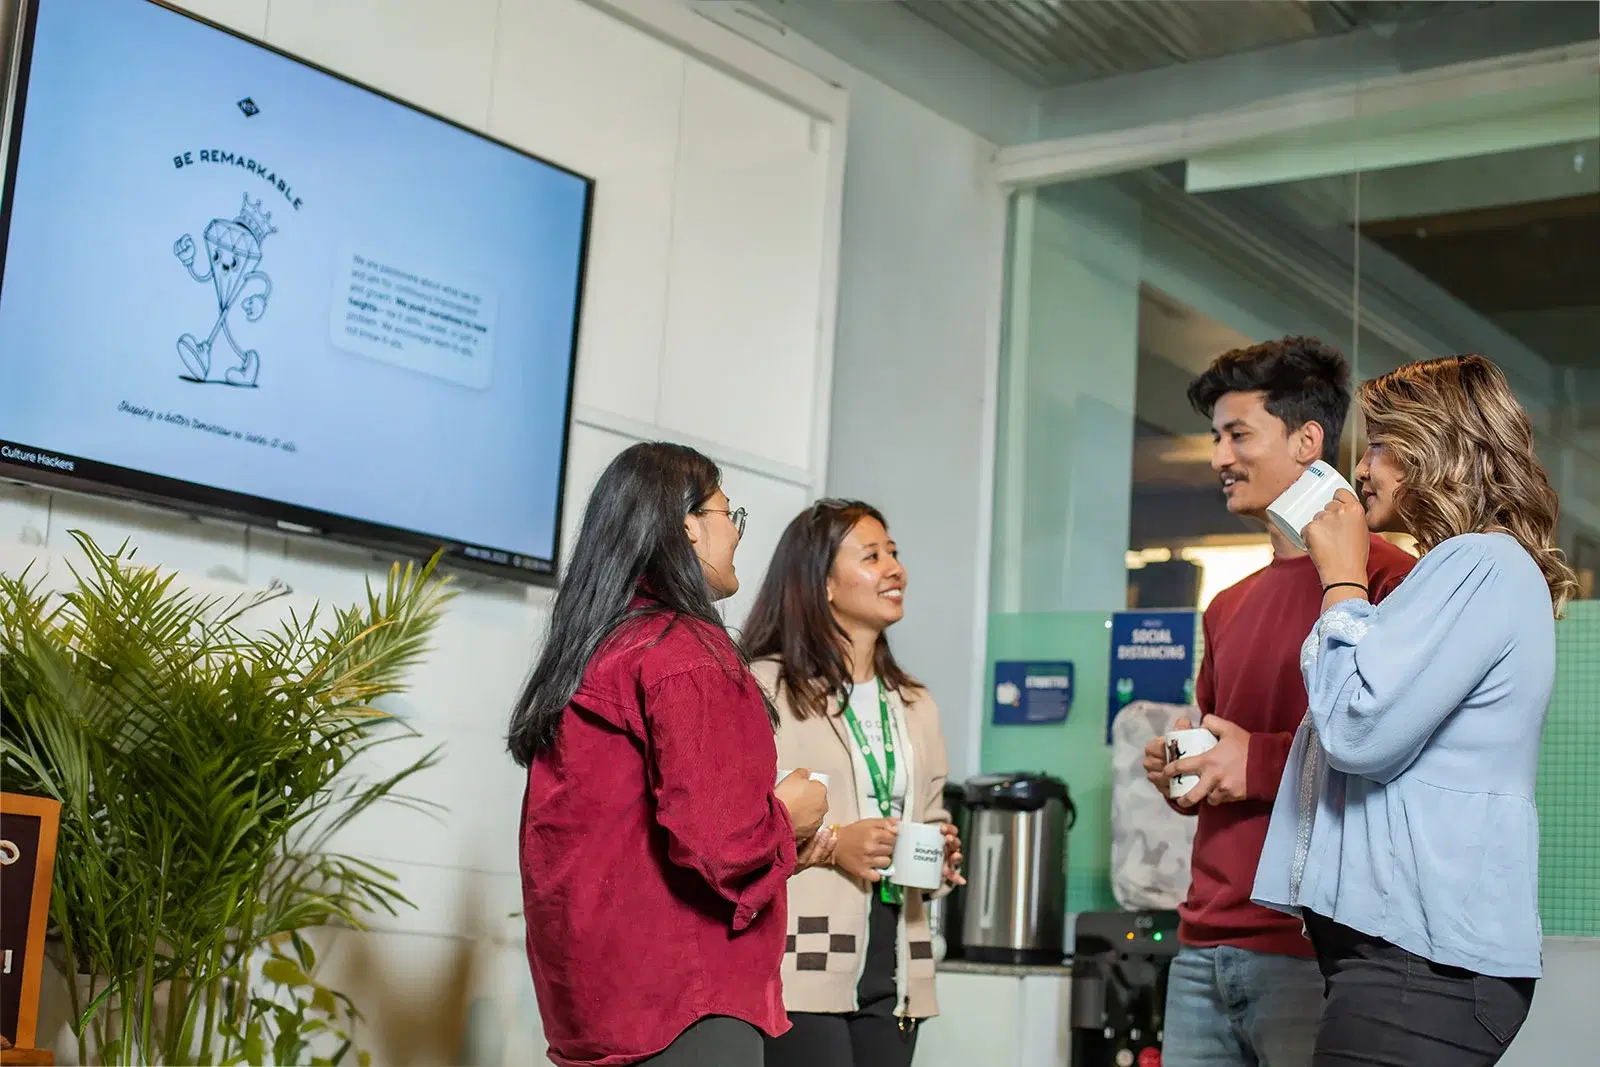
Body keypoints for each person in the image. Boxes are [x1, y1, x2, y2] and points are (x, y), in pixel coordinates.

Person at [1254, 355, 1577, 1066]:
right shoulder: (1453, 572)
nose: (1360, 469)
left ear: (1435, 447)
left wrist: (1341, 577)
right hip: (1405, 958)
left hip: (1423, 966)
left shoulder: (1483, 564)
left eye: (1377, 444)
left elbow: (1358, 729)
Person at [508, 442, 831, 1067]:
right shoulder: (684, 653)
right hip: (686, 1008)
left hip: (594, 1012)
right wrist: (790, 815)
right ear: (688, 526)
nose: (736, 537)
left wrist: (784, 851)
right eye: (728, 516)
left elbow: (624, 848)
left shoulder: (592, 652)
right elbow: (722, 845)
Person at [1141, 337, 1416, 1066]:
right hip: (1201, 946)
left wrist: (1253, 761)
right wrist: (1184, 770)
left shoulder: (1387, 578)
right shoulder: (1226, 605)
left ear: (1307, 439)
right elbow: (1218, 755)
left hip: (1313, 948)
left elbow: (1398, 754)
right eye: (1214, 437)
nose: (1217, 457)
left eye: (1237, 434)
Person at [741, 499, 964, 1067]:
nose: (895, 569)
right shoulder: (766, 687)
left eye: (894, 553)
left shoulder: (914, 702)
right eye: (872, 556)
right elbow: (737, 826)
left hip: (895, 966)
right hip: (797, 965)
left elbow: (930, 811)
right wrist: (837, 843)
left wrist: (940, 853)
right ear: (824, 585)